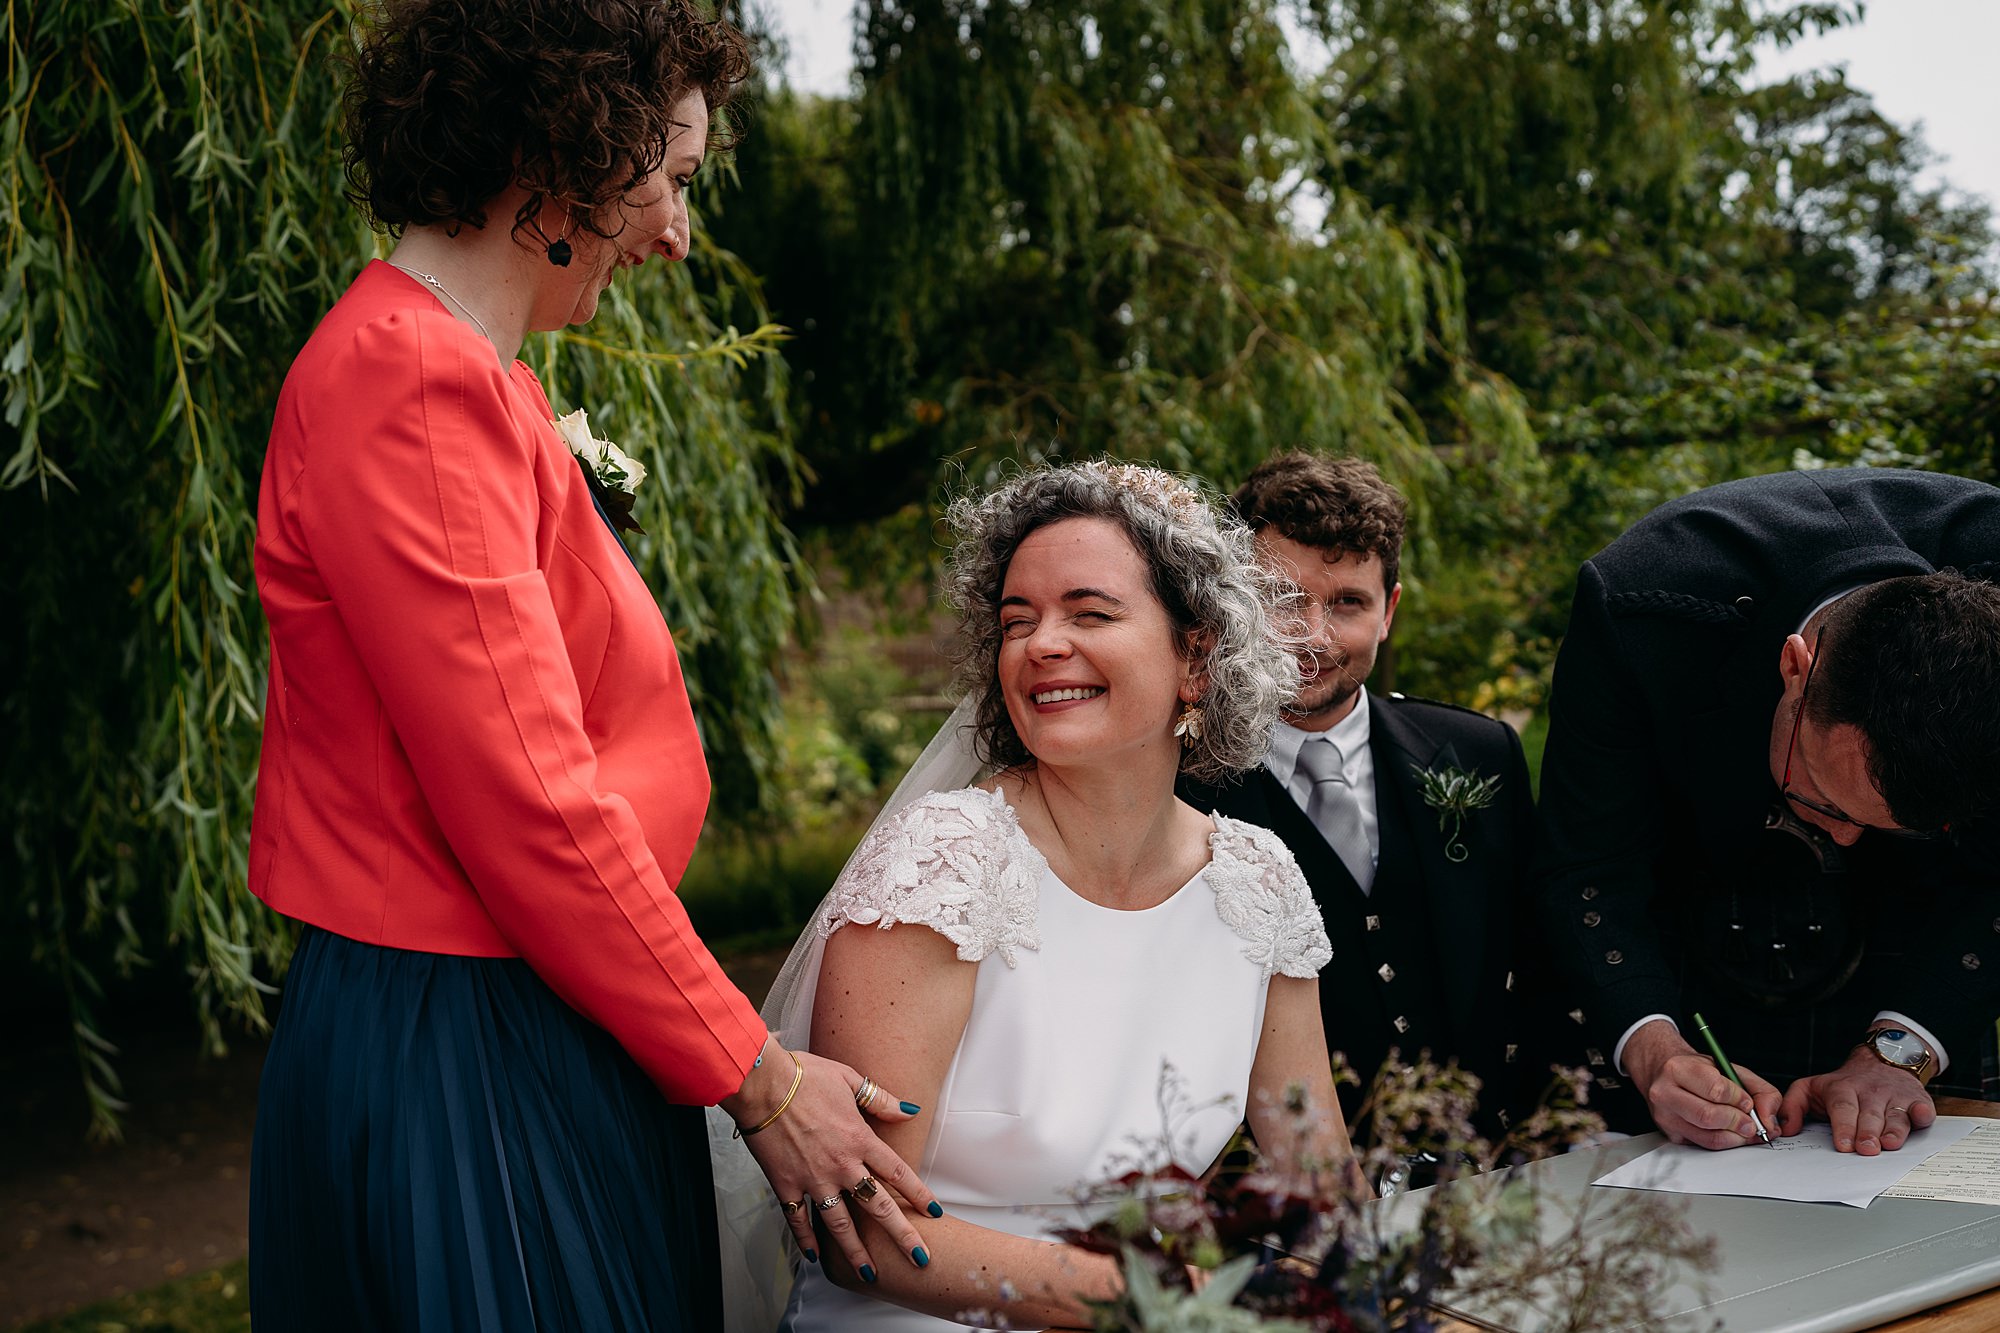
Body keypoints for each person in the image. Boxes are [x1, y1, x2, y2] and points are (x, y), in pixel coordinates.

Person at [246, 1, 937, 1326]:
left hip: (533, 1007)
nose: (677, 233)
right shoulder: (414, 384)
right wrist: (761, 1076)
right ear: (573, 149)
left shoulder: (464, 377)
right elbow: (531, 803)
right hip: (468, 1040)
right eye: (673, 178)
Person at [749, 461, 1354, 1331]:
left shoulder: (1259, 881)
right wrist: (1145, 1297)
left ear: (1197, 653)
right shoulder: (945, 858)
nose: (1040, 644)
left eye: (1090, 612)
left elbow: (1319, 1184)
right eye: (1016, 621)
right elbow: (861, 1234)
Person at [1534, 467, 2000, 1157]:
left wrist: (1903, 1049)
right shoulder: (1643, 607)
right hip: (1692, 927)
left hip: (1929, 940)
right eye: (1818, 789)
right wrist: (1656, 1051)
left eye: (1886, 822)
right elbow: (1588, 864)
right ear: (1794, 667)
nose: (1839, 834)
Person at [1181, 453, 1540, 1143]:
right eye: (1283, 599)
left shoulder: (1479, 753)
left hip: (1489, 1173)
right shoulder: (1181, 787)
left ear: (1389, 612)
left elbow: (1539, 962)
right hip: (1286, 1201)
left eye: (1346, 602)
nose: (1313, 636)